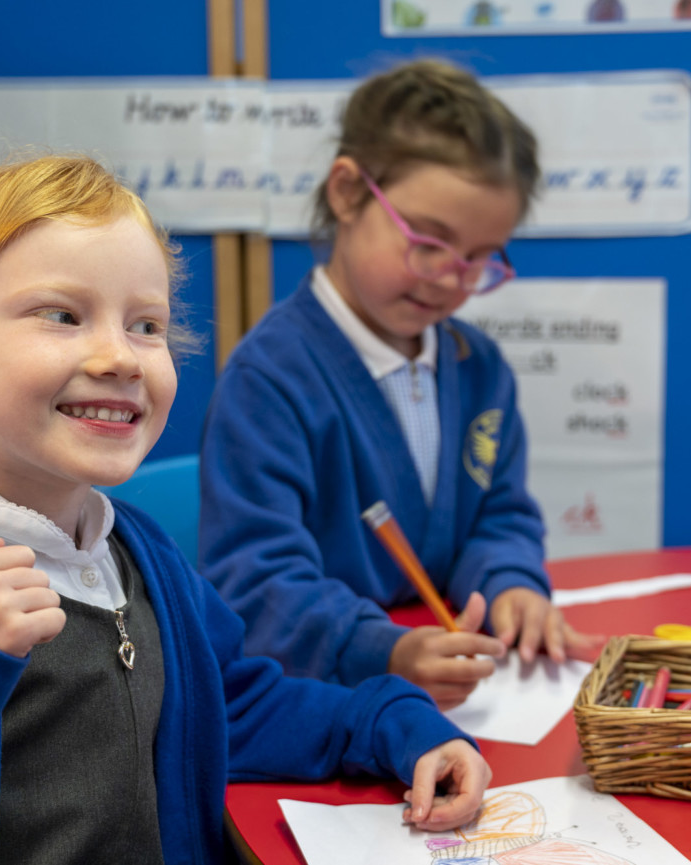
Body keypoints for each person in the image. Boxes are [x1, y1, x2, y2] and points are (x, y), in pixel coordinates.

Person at [0, 155, 489, 865]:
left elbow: (233, 705)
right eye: (62, 315)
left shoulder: (142, 553)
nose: (120, 358)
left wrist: (392, 722)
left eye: (146, 325)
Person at [199, 59, 601, 710]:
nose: (449, 278)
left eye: (478, 258)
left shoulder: (480, 368)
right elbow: (255, 580)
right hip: (320, 701)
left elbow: (497, 515)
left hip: (452, 694)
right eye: (429, 241)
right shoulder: (270, 379)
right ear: (349, 192)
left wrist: (510, 584)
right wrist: (380, 648)